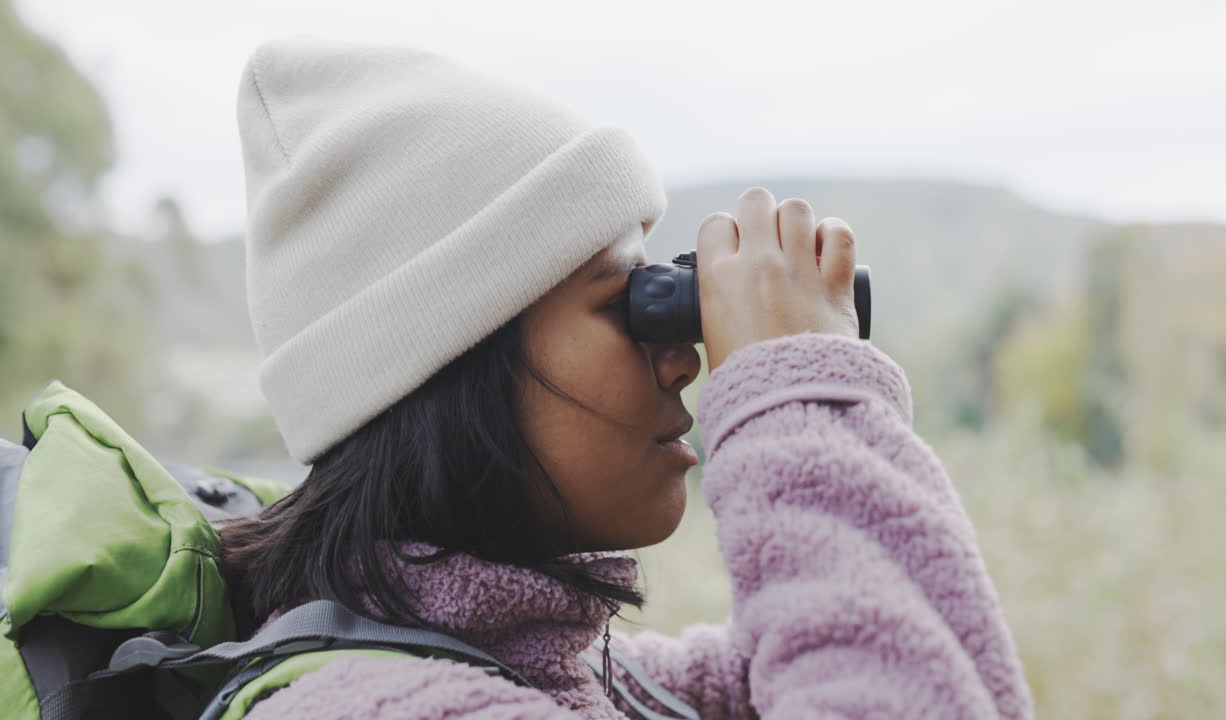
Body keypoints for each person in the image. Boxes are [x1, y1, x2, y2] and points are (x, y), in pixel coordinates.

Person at [216, 35, 1035, 719]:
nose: (685, 357)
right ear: (449, 362)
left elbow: (896, 657)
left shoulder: (557, 676)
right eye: (626, 304)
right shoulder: (365, 708)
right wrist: (795, 393)